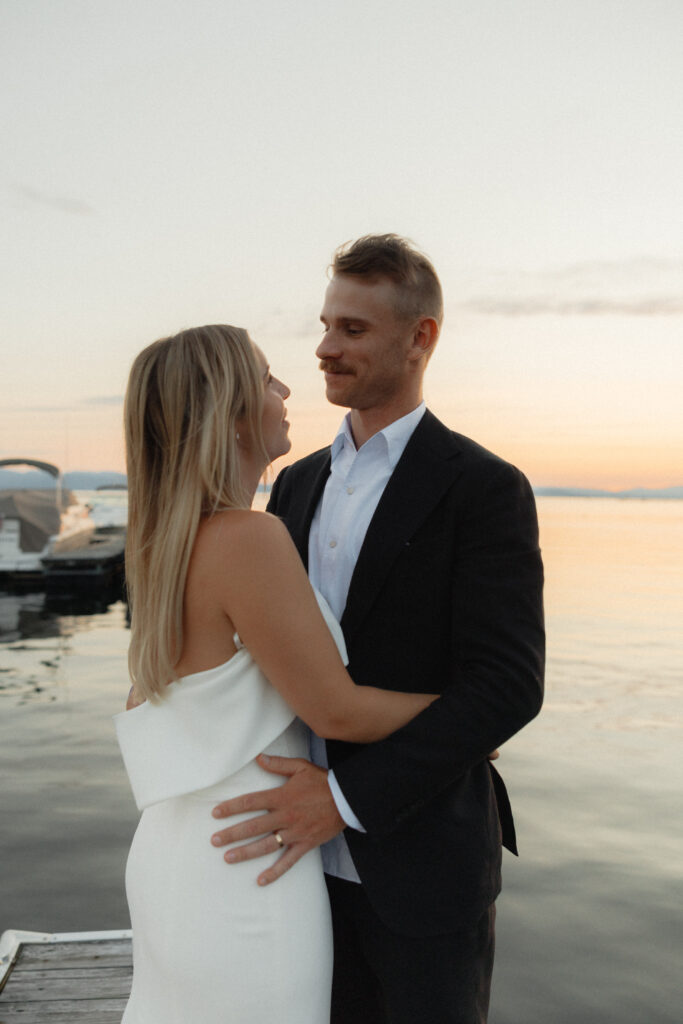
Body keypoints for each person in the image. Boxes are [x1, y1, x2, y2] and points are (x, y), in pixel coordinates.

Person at [210, 235, 546, 1023]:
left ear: (420, 337)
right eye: (325, 325)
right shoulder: (293, 484)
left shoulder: (483, 488)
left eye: (353, 330)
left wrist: (346, 800)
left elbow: (507, 686)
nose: (325, 349)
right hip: (288, 868)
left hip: (423, 870)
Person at [114, 324, 440, 1024]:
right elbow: (338, 712)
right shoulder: (248, 537)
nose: (286, 390)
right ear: (230, 413)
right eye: (266, 378)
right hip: (249, 859)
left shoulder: (163, 543)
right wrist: (455, 713)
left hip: (179, 849)